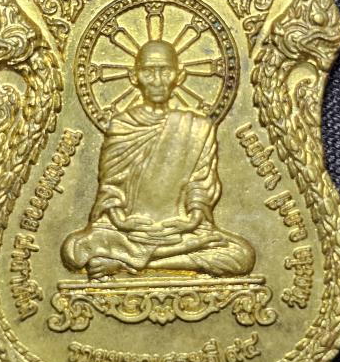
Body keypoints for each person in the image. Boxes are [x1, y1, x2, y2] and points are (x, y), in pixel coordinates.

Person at [62, 39, 255, 280]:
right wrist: (122, 221)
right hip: (129, 231)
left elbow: (200, 184)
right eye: (148, 71)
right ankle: (144, 259)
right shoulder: (122, 125)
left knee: (242, 255)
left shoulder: (198, 127)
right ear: (134, 77)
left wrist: (192, 220)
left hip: (181, 231)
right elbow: (110, 189)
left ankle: (128, 264)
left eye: (165, 71)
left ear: (179, 76)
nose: (157, 80)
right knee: (73, 249)